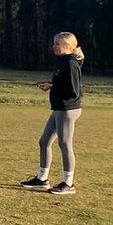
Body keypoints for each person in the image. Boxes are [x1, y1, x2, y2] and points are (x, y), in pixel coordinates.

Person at [21, 32, 85, 195]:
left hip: (67, 109)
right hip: (58, 108)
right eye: (54, 43)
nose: (54, 46)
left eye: (58, 44)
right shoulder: (63, 61)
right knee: (44, 142)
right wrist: (50, 83)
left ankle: (68, 183)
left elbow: (73, 91)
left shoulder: (70, 63)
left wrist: (52, 87)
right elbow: (62, 81)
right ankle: (42, 179)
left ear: (69, 47)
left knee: (64, 144)